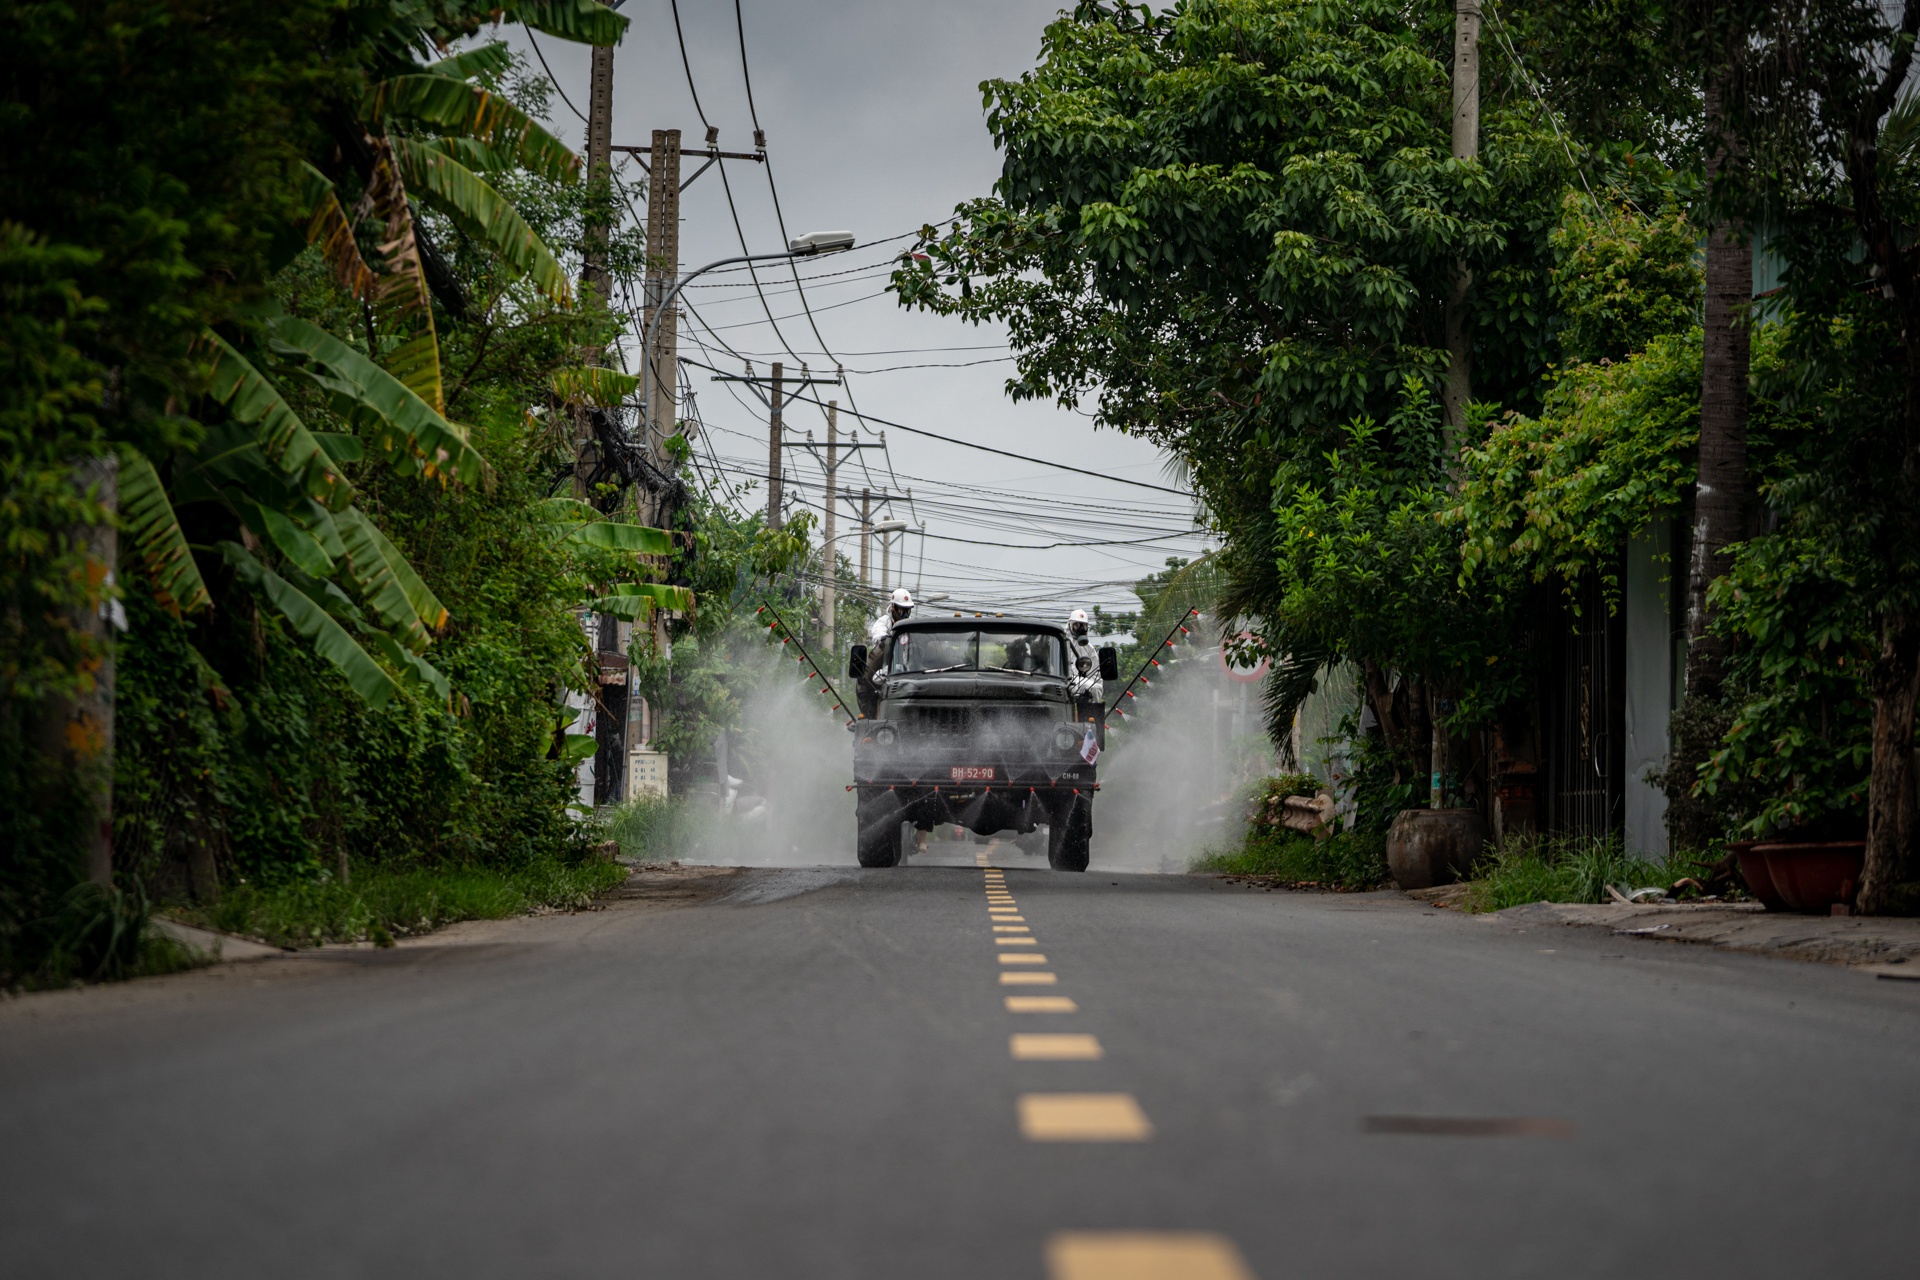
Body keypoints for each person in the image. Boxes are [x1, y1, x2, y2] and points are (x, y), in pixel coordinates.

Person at [856, 588, 914, 718]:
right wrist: (892, 639)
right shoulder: (883, 622)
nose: (904, 613)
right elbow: (879, 637)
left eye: (907, 610)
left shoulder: (914, 625)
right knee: (864, 678)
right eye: (901, 609)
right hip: (887, 657)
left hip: (911, 662)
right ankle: (868, 715)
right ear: (893, 608)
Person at [1066, 607, 1102, 700]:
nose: (1081, 629)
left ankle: (1091, 712)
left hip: (1081, 683)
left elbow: (1095, 674)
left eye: (1084, 625)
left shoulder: (1089, 649)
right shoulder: (1060, 643)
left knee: (1094, 688)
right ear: (1070, 625)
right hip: (1064, 681)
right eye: (1077, 625)